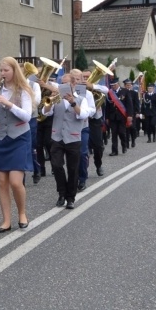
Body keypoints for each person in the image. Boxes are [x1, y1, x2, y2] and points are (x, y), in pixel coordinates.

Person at [0, 57, 35, 232]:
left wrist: (8, 104)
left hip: (19, 136)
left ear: (15, 70)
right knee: (2, 181)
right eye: (1, 70)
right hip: (0, 137)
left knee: (16, 181)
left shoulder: (23, 90)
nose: (3, 74)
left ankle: (22, 213)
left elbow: (27, 116)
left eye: (6, 70)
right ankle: (6, 220)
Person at [42, 68, 94, 210]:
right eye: (61, 84)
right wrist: (50, 101)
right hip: (57, 136)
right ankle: (61, 193)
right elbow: (45, 113)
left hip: (73, 137)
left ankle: (70, 197)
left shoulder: (81, 98)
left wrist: (73, 103)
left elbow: (83, 115)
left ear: (73, 84)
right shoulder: (56, 98)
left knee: (73, 168)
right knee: (57, 166)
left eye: (66, 84)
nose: (62, 87)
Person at [83, 68, 106, 176]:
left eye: (87, 77)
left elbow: (107, 90)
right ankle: (84, 170)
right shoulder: (79, 88)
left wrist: (92, 86)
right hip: (82, 120)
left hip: (95, 120)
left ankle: (98, 164)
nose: (86, 79)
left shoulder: (97, 87)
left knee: (98, 146)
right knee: (84, 147)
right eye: (84, 77)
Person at [105, 77, 133, 155]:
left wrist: (130, 115)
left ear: (117, 84)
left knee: (121, 133)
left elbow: (129, 104)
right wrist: (107, 117)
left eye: (114, 85)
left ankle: (124, 146)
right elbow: (107, 106)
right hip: (112, 117)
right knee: (113, 134)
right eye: (111, 85)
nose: (112, 87)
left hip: (122, 116)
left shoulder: (125, 91)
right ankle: (114, 150)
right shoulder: (110, 93)